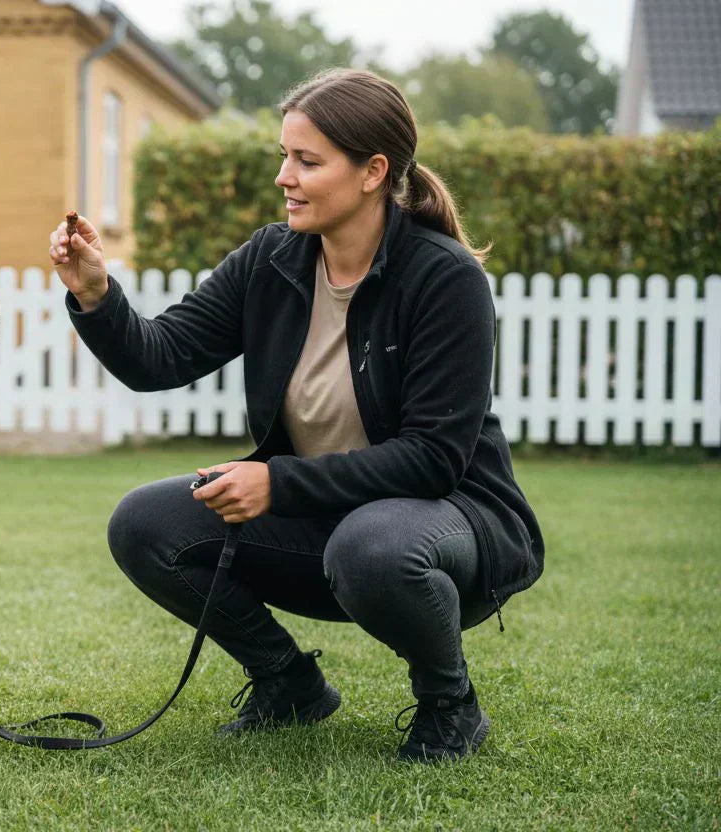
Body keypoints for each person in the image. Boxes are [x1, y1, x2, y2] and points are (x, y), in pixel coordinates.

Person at [47, 68, 543, 763]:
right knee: (144, 523)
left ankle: (449, 702)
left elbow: (434, 458)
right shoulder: (271, 259)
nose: (285, 175)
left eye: (307, 161)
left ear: (373, 171)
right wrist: (99, 296)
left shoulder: (445, 278)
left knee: (372, 545)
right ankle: (288, 683)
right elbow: (159, 358)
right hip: (329, 521)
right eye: (285, 156)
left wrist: (277, 483)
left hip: (446, 525)